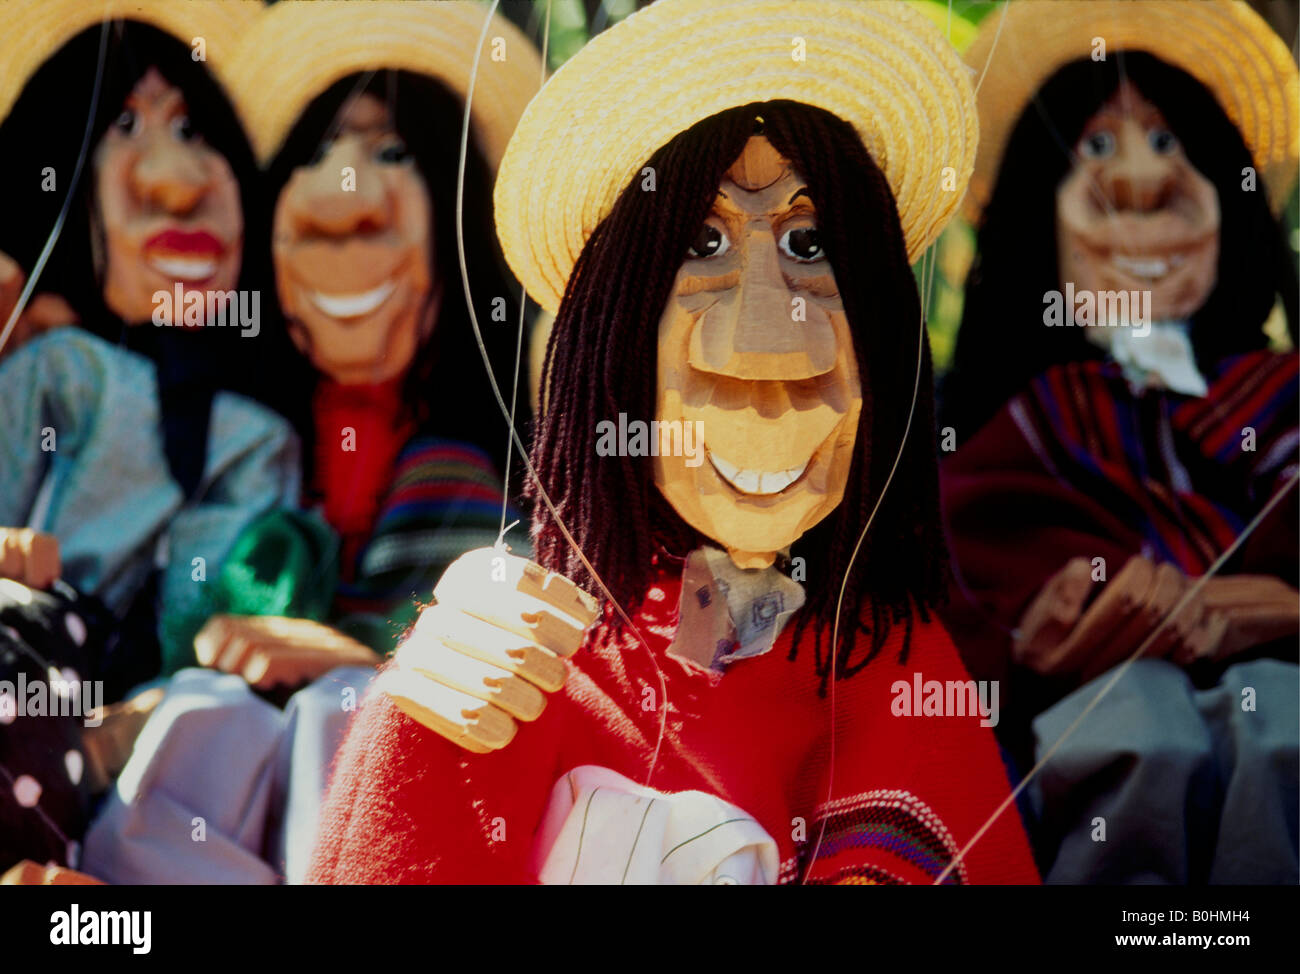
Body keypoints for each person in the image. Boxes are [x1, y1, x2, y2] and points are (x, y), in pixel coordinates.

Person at [310, 0, 1038, 886]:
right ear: (610, 339)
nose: (767, 340)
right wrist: (416, 719)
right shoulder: (534, 657)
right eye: (703, 240)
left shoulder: (902, 664)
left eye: (810, 243)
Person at [78, 0, 543, 885]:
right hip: (183, 797)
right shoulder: (221, 433)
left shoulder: (476, 476)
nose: (347, 198)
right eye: (317, 153)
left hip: (367, 795)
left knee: (337, 709)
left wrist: (361, 654)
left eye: (392, 151)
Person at [938, 0, 1299, 883]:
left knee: (1284, 721)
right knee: (1134, 726)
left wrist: (1262, 612)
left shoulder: (1284, 400)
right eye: (1096, 148)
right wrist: (1027, 643)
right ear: (1038, 222)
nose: (1140, 181)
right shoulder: (1018, 427)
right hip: (1081, 734)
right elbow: (957, 605)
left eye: (1171, 144)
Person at [0, 0, 295, 874]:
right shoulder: (57, 366)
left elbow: (213, 620)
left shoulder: (255, 435)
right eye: (126, 124)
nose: (173, 175)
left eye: (193, 128)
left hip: (129, 723)